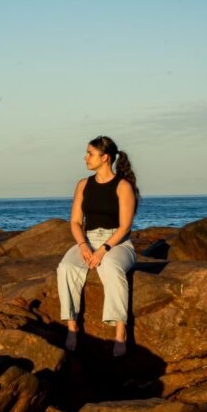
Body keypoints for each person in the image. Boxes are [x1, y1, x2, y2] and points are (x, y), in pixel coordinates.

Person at [56, 135, 140, 357]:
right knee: (65, 267)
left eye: (90, 154)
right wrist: (83, 245)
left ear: (105, 158)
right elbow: (75, 222)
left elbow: (125, 226)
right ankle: (72, 327)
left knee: (111, 267)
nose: (86, 158)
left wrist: (103, 250)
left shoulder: (123, 186)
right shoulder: (83, 185)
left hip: (118, 243)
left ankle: (120, 332)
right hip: (88, 239)